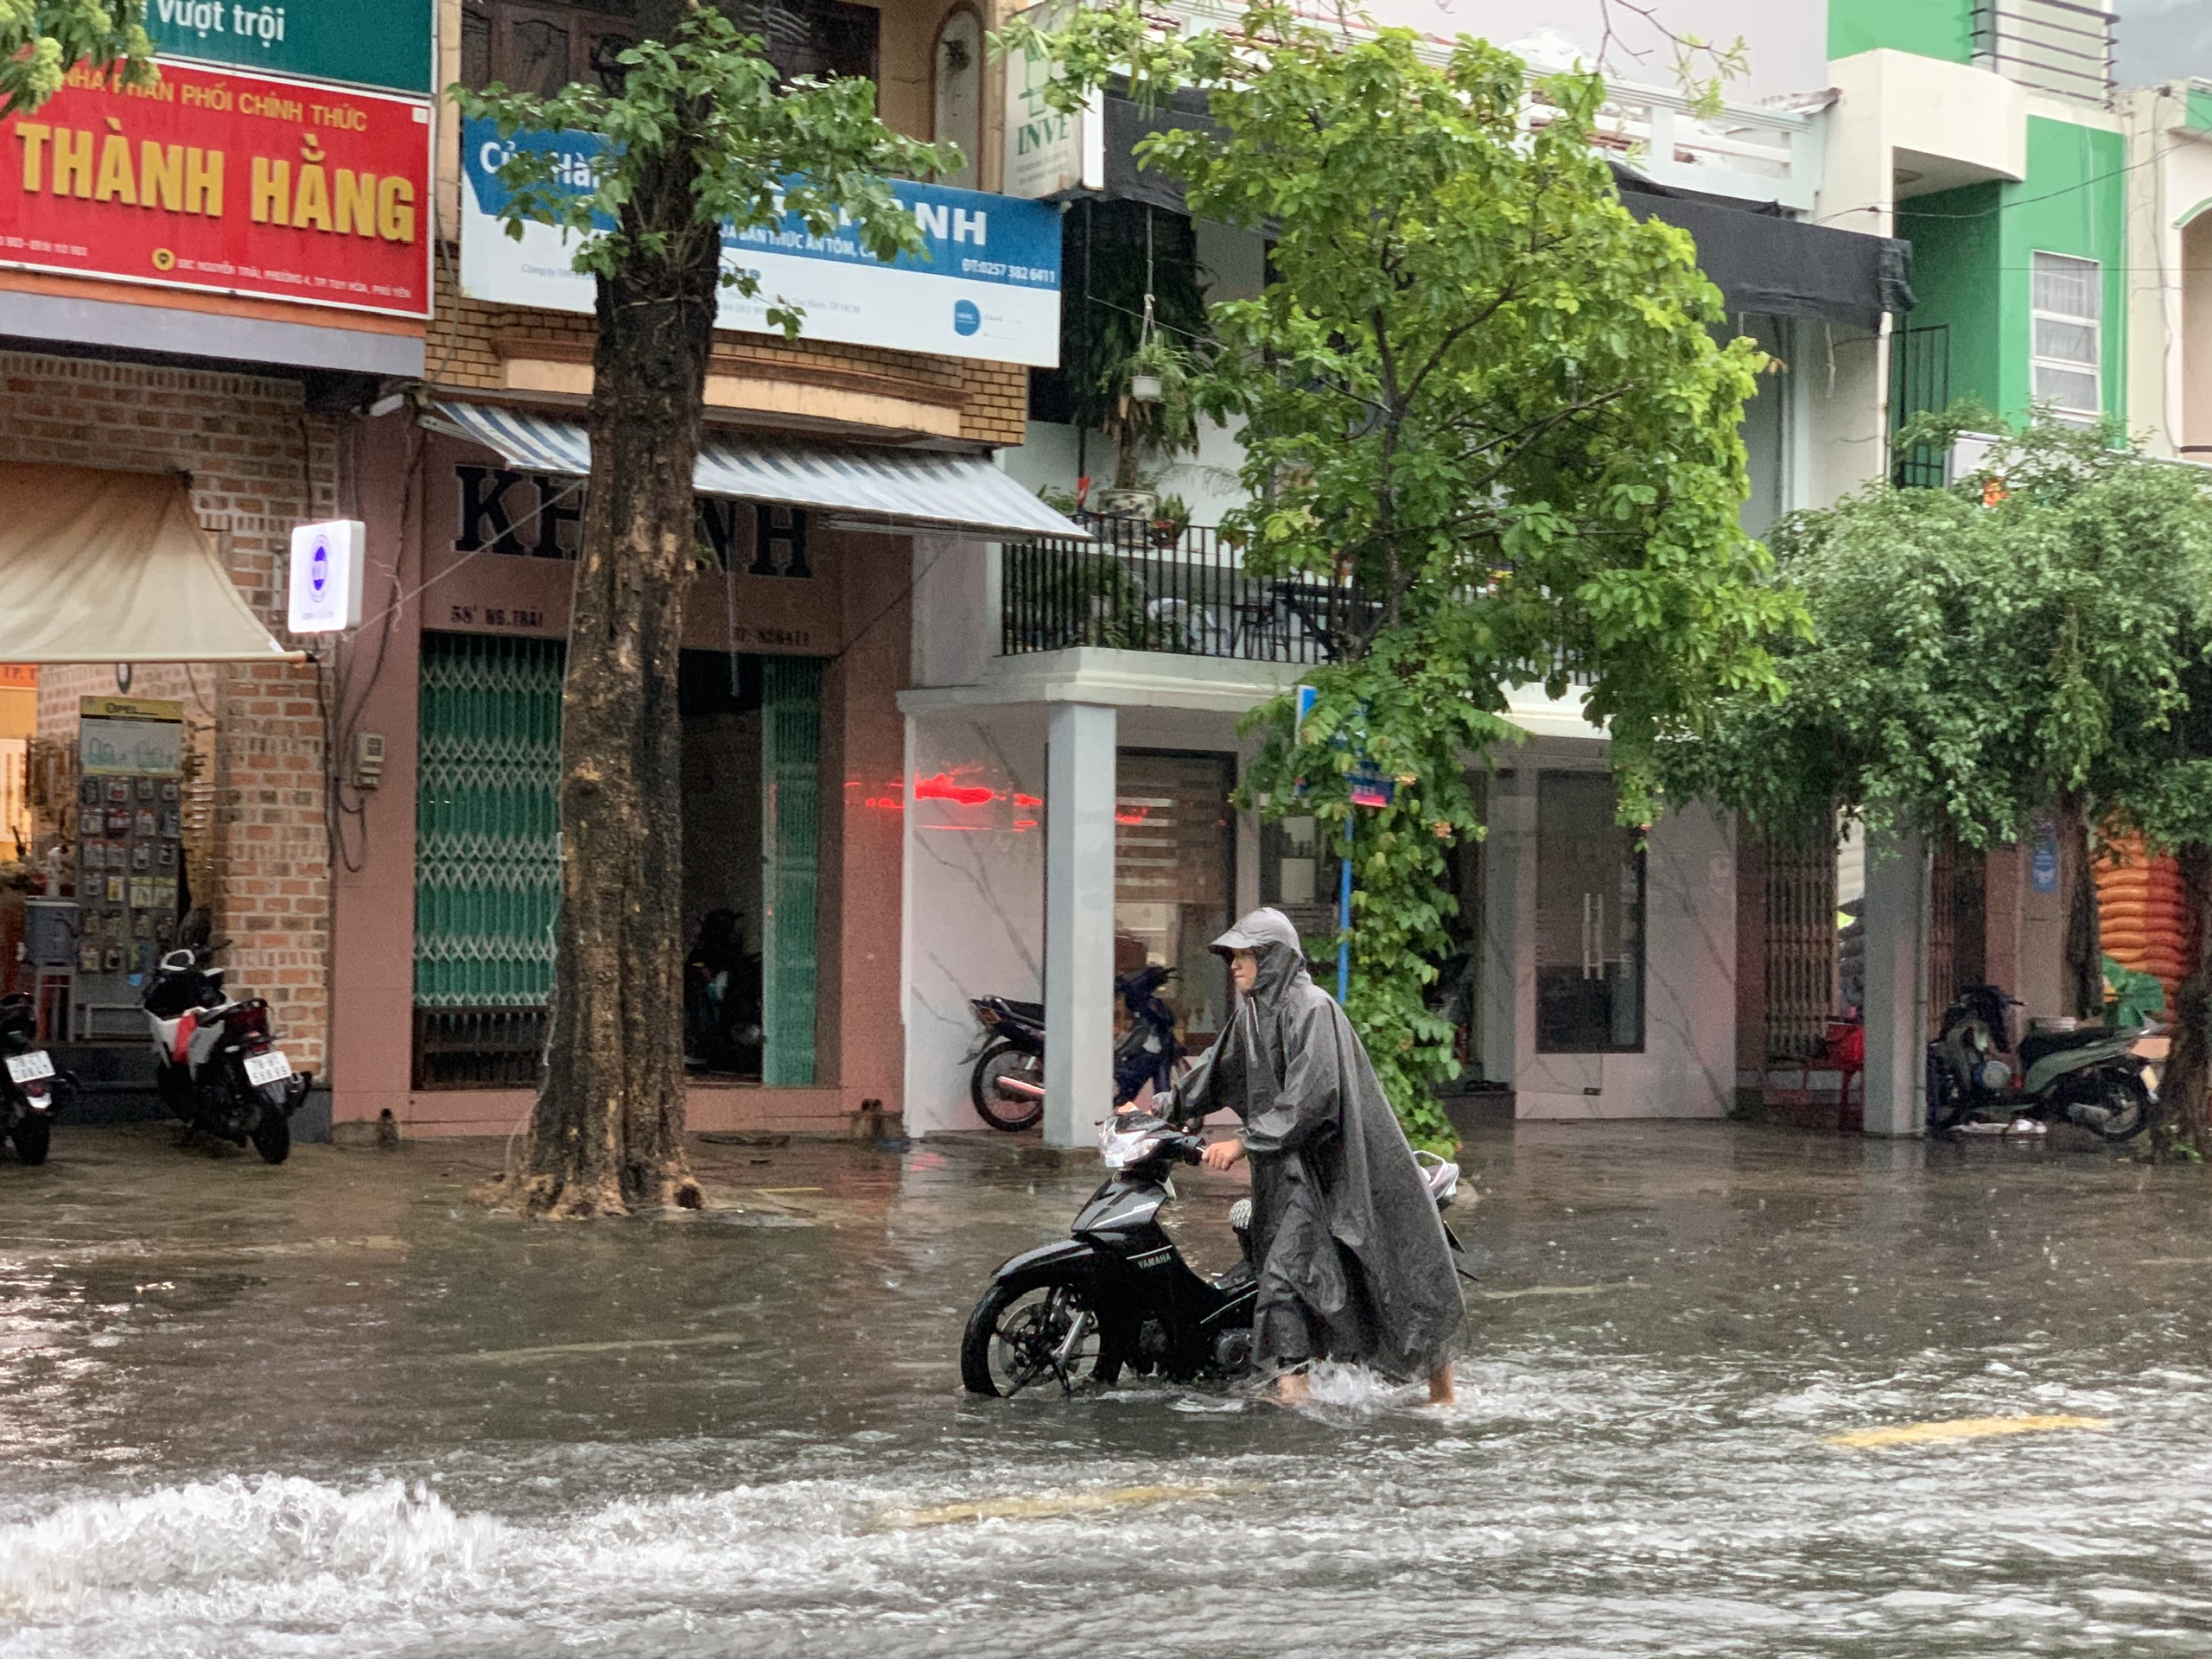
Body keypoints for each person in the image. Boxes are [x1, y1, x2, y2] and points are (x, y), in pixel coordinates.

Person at [1163, 906, 1464, 1404]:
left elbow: (1311, 1097)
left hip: (1343, 1170)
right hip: (1294, 1176)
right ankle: (1295, 1393)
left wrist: (1243, 1141)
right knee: (1284, 1280)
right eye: (1232, 956)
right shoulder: (1254, 1016)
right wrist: (1159, 1109)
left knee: (1394, 1280)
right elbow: (1215, 1072)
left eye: (1245, 955)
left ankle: (1441, 1399)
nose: (1234, 965)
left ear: (1273, 958)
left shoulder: (1312, 1009)